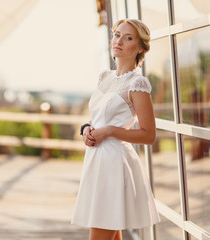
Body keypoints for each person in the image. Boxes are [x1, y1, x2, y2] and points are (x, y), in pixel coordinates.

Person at [71, 19, 160, 240]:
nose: (118, 41)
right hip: (96, 161)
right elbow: (97, 117)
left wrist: (110, 131)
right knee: (112, 232)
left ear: (140, 48)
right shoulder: (105, 76)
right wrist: (86, 130)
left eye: (128, 38)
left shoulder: (137, 84)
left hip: (114, 165)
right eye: (117, 35)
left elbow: (149, 135)